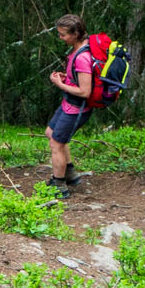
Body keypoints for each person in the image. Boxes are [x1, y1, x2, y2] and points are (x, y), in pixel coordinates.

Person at [45, 13, 95, 197]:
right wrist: (68, 79)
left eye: (63, 34)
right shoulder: (78, 50)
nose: (60, 37)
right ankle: (70, 173)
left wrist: (60, 84)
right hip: (69, 103)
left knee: (57, 143)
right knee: (51, 133)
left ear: (75, 34)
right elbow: (80, 80)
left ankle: (59, 186)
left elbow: (85, 91)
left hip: (77, 108)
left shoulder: (83, 57)